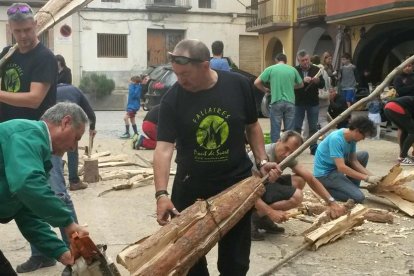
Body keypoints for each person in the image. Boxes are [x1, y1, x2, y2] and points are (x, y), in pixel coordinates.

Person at [153, 39, 281, 276]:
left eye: (185, 74)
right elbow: (163, 149)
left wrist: (262, 161)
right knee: (189, 261)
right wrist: (161, 194)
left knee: (235, 263)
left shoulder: (238, 85)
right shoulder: (173, 99)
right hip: (191, 186)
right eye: (177, 74)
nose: (180, 80)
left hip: (236, 185)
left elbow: (252, 127)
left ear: (205, 65)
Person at [0, 102, 89, 275]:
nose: (72, 147)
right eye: (76, 138)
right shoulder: (25, 134)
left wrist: (62, 253)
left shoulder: (37, 152)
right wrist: (68, 222)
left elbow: (27, 215)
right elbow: (27, 184)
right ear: (65, 122)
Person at [248, 131, 346, 240]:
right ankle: (252, 218)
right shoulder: (261, 156)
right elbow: (249, 192)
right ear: (279, 141)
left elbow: (310, 178)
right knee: (297, 196)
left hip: (264, 186)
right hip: (247, 193)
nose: (287, 154)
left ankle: (261, 217)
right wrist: (271, 212)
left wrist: (331, 202)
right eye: (286, 148)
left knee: (300, 180)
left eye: (292, 152)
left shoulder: (288, 156)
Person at [0, 2, 57, 122]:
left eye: (27, 29)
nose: (23, 35)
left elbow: (34, 100)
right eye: (17, 31)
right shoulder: (7, 53)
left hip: (33, 131)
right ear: (10, 28)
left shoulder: (45, 57)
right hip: (7, 129)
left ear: (35, 24)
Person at [313, 116, 382, 203]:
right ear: (356, 130)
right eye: (363, 136)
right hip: (326, 174)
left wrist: (372, 177)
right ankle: (323, 190)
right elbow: (341, 167)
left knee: (363, 155)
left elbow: (354, 161)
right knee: (359, 198)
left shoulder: (351, 138)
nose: (363, 139)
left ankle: (352, 187)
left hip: (336, 168)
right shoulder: (336, 139)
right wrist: (366, 178)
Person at [254, 53, 303, 142]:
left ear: (276, 60)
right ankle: (290, 151)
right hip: (290, 102)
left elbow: (256, 83)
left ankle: (275, 151)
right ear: (286, 60)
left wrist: (265, 90)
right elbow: (301, 84)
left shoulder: (271, 69)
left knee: (275, 130)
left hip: (276, 102)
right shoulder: (292, 69)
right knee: (289, 131)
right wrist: (291, 86)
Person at [57, 83, 96, 190]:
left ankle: (54, 179)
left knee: (53, 149)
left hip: (53, 122)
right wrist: (92, 128)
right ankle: (74, 181)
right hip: (71, 121)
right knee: (72, 150)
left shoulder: (52, 90)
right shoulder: (76, 90)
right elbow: (90, 113)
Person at [294, 50, 325, 155]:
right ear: (299, 61)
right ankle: (296, 148)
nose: (306, 62)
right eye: (303, 60)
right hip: (299, 102)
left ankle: (313, 147)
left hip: (313, 102)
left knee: (313, 127)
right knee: (297, 126)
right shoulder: (295, 70)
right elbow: (291, 85)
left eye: (307, 59)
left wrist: (318, 81)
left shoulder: (316, 69)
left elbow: (322, 85)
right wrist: (302, 81)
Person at [384, 96, 414, 165]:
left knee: (405, 130)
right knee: (412, 131)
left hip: (387, 108)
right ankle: (403, 157)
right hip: (396, 108)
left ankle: (403, 155)